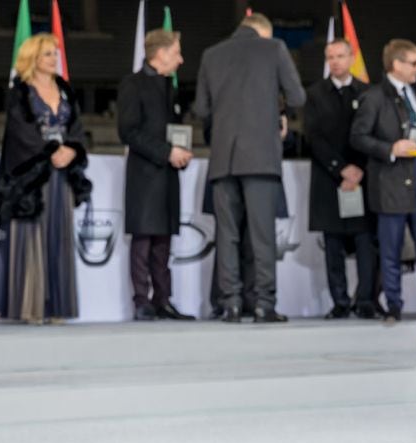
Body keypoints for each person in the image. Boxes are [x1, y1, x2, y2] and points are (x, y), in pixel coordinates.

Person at [193, 12, 305, 323]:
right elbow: (297, 95)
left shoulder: (211, 54)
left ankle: (230, 303)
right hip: (261, 157)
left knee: (226, 235)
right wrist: (274, 107)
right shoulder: (274, 48)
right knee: (262, 235)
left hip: (223, 159)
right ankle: (263, 304)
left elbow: (201, 108)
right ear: (263, 32)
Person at [0, 33, 91, 324]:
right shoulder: (20, 92)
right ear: (33, 57)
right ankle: (29, 307)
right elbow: (20, 134)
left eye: (54, 53)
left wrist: (72, 150)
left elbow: (76, 128)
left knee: (58, 235)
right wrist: (50, 152)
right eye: (47, 54)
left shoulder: (65, 90)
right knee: (30, 237)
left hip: (62, 175)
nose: (53, 59)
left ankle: (56, 306)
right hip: (32, 177)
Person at [351, 39, 416, 322]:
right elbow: (358, 136)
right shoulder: (375, 97)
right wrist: (390, 149)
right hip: (390, 183)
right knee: (390, 249)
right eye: (414, 63)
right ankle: (393, 304)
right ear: (397, 65)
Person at [117, 29, 194, 322]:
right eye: (176, 52)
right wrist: (166, 152)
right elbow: (128, 131)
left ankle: (163, 300)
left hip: (167, 173)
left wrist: (181, 152)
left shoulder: (169, 87)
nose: (181, 59)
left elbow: (173, 130)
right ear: (160, 54)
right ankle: (141, 301)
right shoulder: (132, 84)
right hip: (145, 173)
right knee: (144, 238)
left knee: (163, 241)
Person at [305, 38, 378, 319]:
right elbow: (314, 137)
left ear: (351, 58)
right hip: (329, 179)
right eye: (330, 56)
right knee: (332, 244)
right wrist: (340, 169)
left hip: (362, 178)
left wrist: (358, 168)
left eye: (340, 56)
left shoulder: (368, 92)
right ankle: (340, 301)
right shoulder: (315, 94)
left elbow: (371, 133)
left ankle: (366, 301)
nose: (335, 61)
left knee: (364, 242)